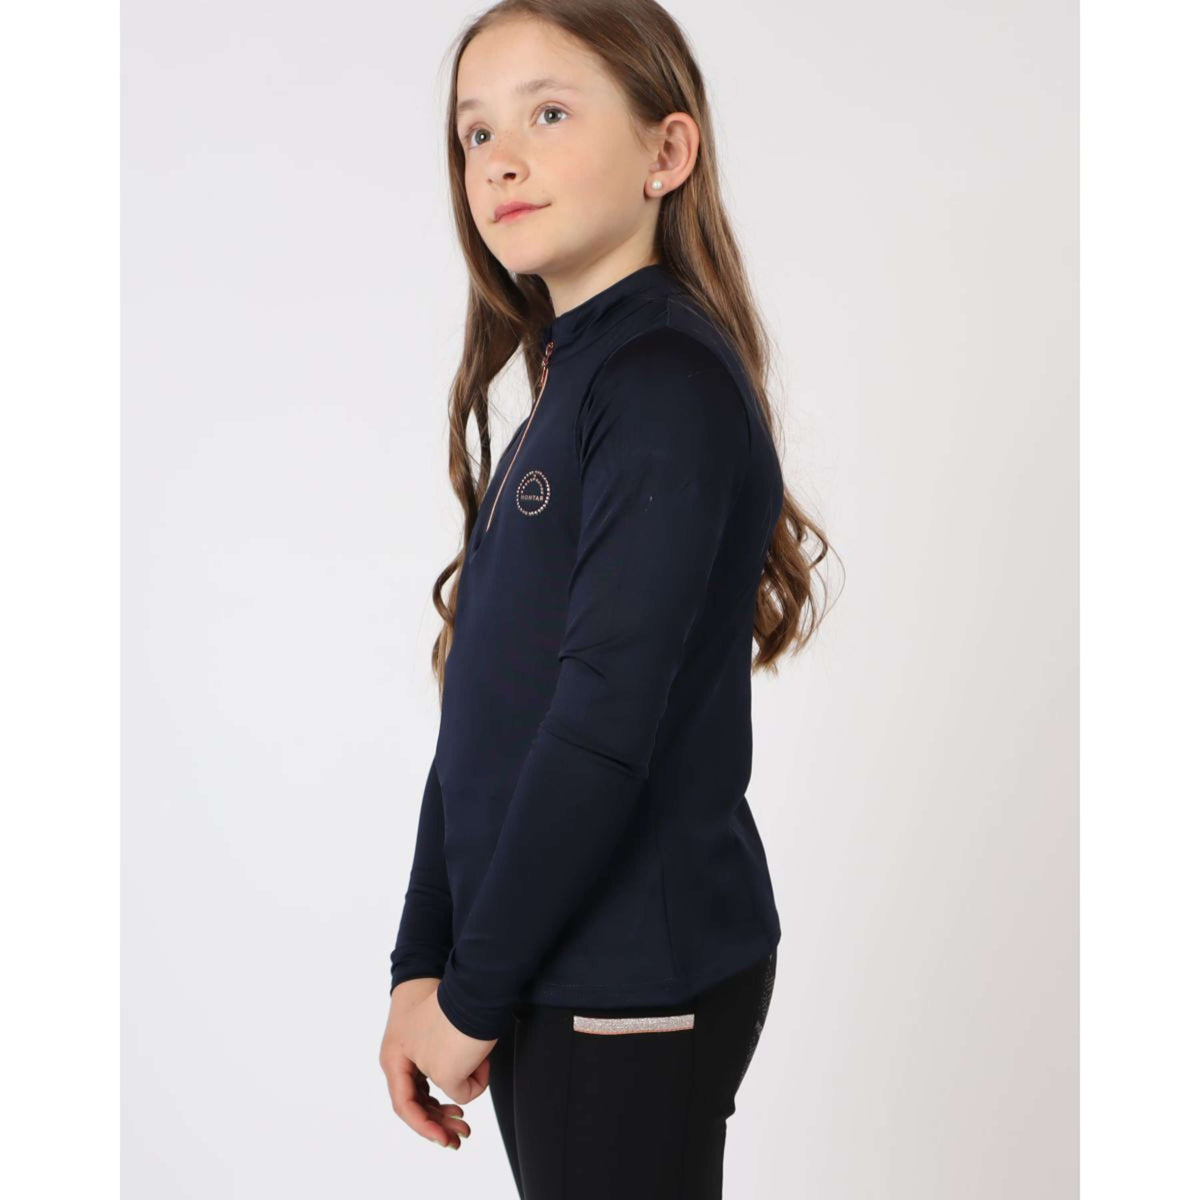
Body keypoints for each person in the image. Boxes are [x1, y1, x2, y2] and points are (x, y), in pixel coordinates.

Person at [378, 2, 835, 1196]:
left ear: (665, 153)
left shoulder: (661, 381)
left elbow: (599, 725)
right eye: (476, 133)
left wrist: (470, 992)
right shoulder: (575, 380)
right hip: (550, 968)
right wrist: (423, 962)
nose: (501, 159)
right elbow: (487, 712)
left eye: (548, 113)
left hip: (629, 981)